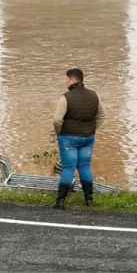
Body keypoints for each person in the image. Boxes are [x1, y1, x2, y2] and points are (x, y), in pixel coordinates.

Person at [51, 67, 99, 209]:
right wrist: (91, 129)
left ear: (72, 80)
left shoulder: (65, 98)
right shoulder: (94, 95)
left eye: (67, 79)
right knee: (85, 166)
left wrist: (59, 133)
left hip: (69, 138)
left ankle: (60, 201)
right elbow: (102, 116)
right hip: (88, 138)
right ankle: (89, 199)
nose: (66, 82)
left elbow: (57, 120)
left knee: (68, 169)